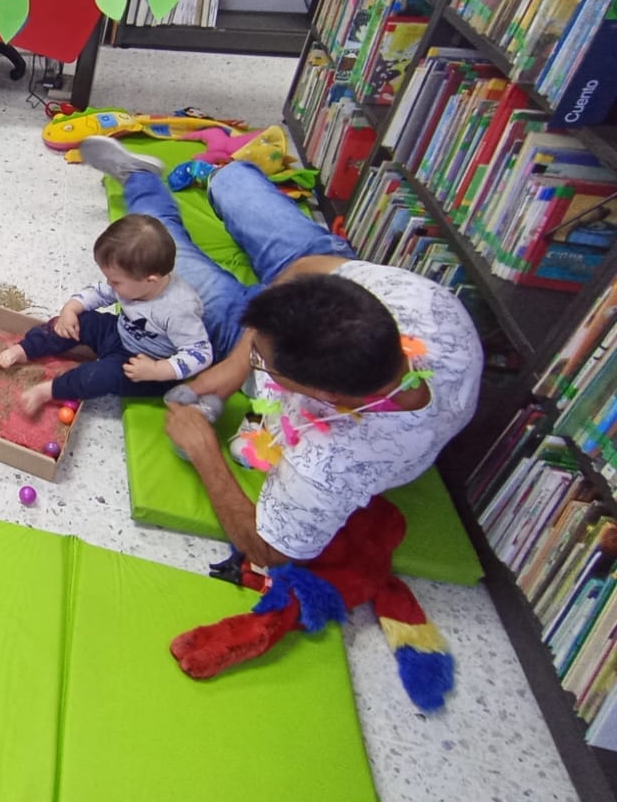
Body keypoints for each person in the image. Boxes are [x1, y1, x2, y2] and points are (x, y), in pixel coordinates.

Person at [77, 137, 484, 567]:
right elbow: (306, 271)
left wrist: (205, 454)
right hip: (323, 277)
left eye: (262, 363)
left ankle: (140, 177)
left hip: (276, 342)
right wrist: (238, 362)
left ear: (319, 394)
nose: (255, 357)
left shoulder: (331, 464)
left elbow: (270, 551)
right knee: (235, 182)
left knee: (157, 262)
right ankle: (220, 177)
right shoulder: (424, 306)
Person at [0, 214, 212, 416]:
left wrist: (157, 369)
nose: (110, 284)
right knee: (80, 321)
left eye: (116, 281)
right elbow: (98, 292)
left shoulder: (178, 309)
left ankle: (49, 390)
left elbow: (201, 354)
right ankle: (25, 349)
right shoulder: (134, 282)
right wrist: (71, 309)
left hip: (145, 364)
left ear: (150, 280)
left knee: (98, 376)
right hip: (119, 332)